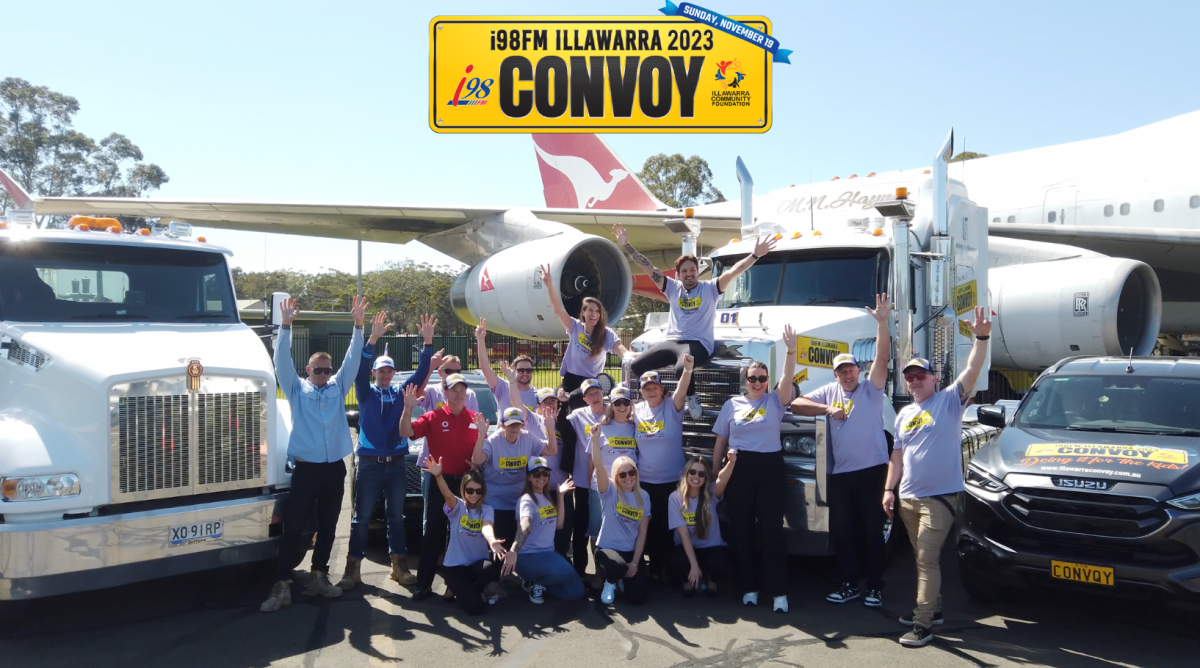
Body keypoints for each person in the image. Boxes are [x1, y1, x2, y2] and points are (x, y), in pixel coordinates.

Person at [884, 306, 991, 648]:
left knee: (928, 559)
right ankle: (937, 609)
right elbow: (897, 456)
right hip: (908, 499)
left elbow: (973, 368)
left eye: (920, 375)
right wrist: (889, 490)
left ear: (934, 380)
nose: (914, 381)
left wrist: (982, 336)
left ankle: (923, 623)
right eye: (909, 376)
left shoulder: (948, 402)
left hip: (940, 499)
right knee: (922, 560)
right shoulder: (904, 415)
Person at [261, 295, 368, 613]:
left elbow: (353, 359)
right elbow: (280, 361)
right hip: (307, 471)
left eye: (326, 369)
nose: (323, 373)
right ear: (307, 370)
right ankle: (281, 585)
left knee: (330, 525)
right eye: (318, 369)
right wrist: (285, 327)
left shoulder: (338, 387)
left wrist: (358, 326)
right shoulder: (296, 389)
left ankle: (319, 576)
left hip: (334, 468)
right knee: (293, 528)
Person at [790, 294, 892, 607]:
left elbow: (883, 358)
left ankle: (875, 586)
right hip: (843, 475)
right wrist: (827, 409)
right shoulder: (830, 391)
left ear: (858, 371)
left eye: (851, 370)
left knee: (872, 531)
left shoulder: (871, 389)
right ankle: (849, 584)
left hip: (873, 470)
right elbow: (795, 404)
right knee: (843, 532)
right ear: (835, 375)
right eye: (842, 371)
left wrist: (882, 323)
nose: (848, 375)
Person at [615, 223, 777, 419]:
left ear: (698, 271)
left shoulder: (710, 288)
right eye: (684, 271)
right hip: (673, 341)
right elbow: (648, 266)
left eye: (692, 270)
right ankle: (665, 396)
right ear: (678, 275)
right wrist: (627, 246)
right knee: (636, 365)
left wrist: (755, 255)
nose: (689, 274)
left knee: (682, 366)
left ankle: (691, 397)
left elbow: (735, 270)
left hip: (698, 343)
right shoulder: (672, 288)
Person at [340, 312, 441, 591]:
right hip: (370, 463)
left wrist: (428, 344)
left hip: (397, 463)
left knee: (395, 517)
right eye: (381, 370)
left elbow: (421, 374)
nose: (385, 374)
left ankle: (400, 567)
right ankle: (353, 569)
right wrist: (371, 339)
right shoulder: (365, 392)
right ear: (375, 373)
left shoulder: (401, 393)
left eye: (389, 370)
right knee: (360, 518)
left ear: (394, 373)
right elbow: (359, 369)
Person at [711, 325, 797, 613]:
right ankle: (749, 587)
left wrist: (791, 350)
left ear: (767, 380)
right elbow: (721, 440)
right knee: (742, 530)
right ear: (744, 380)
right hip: (739, 467)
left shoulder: (776, 401)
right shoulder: (732, 404)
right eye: (752, 378)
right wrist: (715, 472)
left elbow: (787, 380)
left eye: (762, 378)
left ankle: (779, 593)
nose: (757, 382)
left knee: (772, 530)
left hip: (769, 467)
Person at [400, 376, 488, 601]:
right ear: (445, 393)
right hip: (440, 480)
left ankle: (455, 586)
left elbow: (483, 450)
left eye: (462, 390)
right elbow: (405, 432)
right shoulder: (433, 416)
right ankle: (424, 584)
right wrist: (408, 408)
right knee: (434, 532)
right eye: (454, 390)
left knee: (462, 534)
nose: (459, 394)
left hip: (467, 485)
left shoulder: (475, 419)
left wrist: (477, 463)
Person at [632, 363, 693, 582]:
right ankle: (655, 570)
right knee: (651, 527)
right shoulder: (636, 410)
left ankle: (672, 570)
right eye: (646, 387)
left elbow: (682, 390)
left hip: (672, 481)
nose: (651, 390)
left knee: (672, 527)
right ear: (641, 391)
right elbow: (615, 414)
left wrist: (687, 370)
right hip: (646, 481)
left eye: (654, 386)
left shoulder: (672, 406)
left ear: (661, 388)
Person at [422, 459, 507, 614]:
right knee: (475, 608)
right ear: (463, 490)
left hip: (476, 565)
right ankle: (456, 587)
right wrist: (438, 475)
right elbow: (447, 494)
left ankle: (464, 588)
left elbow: (486, 526)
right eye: (470, 491)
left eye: (478, 491)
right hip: (455, 567)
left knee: (493, 566)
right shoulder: (457, 507)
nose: (474, 495)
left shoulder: (487, 509)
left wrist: (492, 540)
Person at [502, 457, 584, 604]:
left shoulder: (546, 498)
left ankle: (536, 583)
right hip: (527, 557)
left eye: (545, 473)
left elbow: (559, 525)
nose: (542, 477)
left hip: (548, 554)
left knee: (576, 591)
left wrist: (560, 496)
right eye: (536, 474)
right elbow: (525, 525)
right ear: (529, 478)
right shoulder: (526, 500)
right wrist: (513, 551)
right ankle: (536, 583)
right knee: (564, 572)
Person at [415, 354, 479, 536]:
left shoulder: (470, 394)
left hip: (461, 466)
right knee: (433, 516)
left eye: (457, 371)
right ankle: (432, 558)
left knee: (460, 515)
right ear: (440, 372)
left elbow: (474, 425)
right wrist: (429, 367)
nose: (453, 373)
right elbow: (417, 394)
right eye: (448, 370)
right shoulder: (432, 390)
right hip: (432, 465)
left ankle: (454, 558)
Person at [472, 406, 555, 545]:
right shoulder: (493, 441)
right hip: (496, 501)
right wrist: (481, 435)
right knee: (502, 542)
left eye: (517, 424)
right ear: (502, 425)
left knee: (519, 542)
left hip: (520, 499)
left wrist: (550, 429)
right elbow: (477, 459)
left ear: (522, 425)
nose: (514, 428)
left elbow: (551, 450)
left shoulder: (528, 438)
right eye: (510, 424)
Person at [590, 447, 652, 606]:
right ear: (616, 477)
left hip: (629, 552)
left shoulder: (644, 496)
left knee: (638, 598)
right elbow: (598, 467)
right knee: (616, 565)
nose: (628, 477)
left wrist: (636, 563)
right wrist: (595, 440)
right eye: (622, 474)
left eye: (631, 472)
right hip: (607, 549)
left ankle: (621, 578)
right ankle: (610, 582)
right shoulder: (610, 490)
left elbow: (642, 533)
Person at [669, 455, 735, 597]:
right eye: (692, 472)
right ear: (686, 473)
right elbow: (684, 535)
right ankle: (688, 581)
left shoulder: (710, 493)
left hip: (710, 547)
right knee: (677, 559)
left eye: (701, 474)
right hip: (688, 547)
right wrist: (693, 565)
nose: (696, 476)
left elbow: (723, 479)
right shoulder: (675, 498)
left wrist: (731, 461)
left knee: (720, 561)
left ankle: (712, 582)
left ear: (705, 477)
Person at [565, 378, 606, 576]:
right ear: (585, 399)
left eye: (597, 392)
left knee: (605, 528)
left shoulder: (614, 413)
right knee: (581, 529)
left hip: (611, 484)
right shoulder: (577, 416)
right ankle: (580, 571)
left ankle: (604, 570)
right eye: (590, 394)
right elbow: (558, 423)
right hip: (584, 483)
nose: (595, 397)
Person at [589, 386, 638, 547]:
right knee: (597, 530)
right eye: (618, 403)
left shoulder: (636, 427)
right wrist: (589, 486)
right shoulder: (601, 427)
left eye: (626, 402)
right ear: (611, 405)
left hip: (627, 487)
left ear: (631, 404)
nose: (622, 407)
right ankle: (599, 569)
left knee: (626, 527)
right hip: (601, 488)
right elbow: (591, 460)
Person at [476, 318, 538, 422]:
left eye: (529, 370)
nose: (525, 374)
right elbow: (485, 368)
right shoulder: (503, 387)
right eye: (521, 370)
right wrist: (480, 340)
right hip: (503, 438)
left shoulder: (538, 395)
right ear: (513, 369)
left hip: (525, 438)